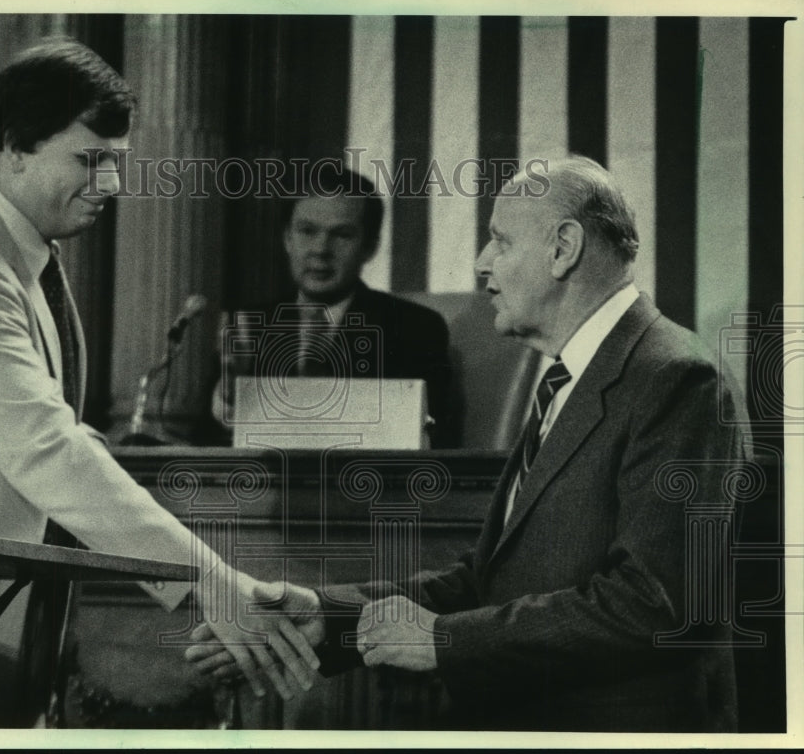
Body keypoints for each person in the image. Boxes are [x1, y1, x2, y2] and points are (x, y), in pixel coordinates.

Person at [186, 156, 752, 732]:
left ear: (564, 248)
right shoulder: (575, 376)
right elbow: (486, 581)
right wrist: (327, 616)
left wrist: (443, 639)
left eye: (500, 242)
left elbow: (656, 605)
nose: (482, 264)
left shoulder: (674, 378)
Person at [0, 38, 318, 722]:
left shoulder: (11, 256)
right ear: (15, 147)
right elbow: (48, 450)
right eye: (90, 161)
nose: (112, 187)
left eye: (116, 164)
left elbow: (54, 437)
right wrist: (212, 586)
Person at [210, 163, 453, 446]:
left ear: (370, 247)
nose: (321, 250)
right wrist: (228, 399)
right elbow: (203, 441)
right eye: (307, 231)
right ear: (287, 238)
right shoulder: (248, 325)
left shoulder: (415, 328)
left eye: (341, 235)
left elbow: (430, 438)